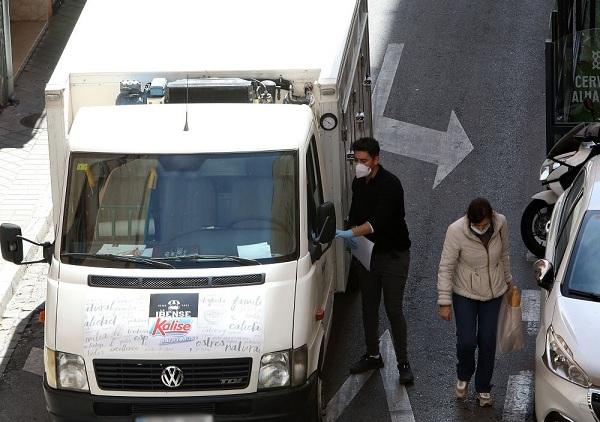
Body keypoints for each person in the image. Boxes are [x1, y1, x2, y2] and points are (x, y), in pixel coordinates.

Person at [335, 137, 413, 384]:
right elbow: (356, 213)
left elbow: (376, 222)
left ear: (376, 159)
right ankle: (372, 354)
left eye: (364, 160)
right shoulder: (359, 183)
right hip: (368, 254)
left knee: (393, 308)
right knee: (368, 307)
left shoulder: (391, 185)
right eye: (356, 160)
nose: (359, 165)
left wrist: (350, 233)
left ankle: (403, 362)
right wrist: (350, 230)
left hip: (392, 256)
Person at [437, 198, 513, 407]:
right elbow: (446, 266)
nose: (481, 228)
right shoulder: (456, 231)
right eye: (477, 225)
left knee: (487, 341)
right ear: (469, 220)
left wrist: (508, 281)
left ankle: (483, 388)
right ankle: (464, 374)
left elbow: (504, 255)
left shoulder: (501, 224)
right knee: (467, 341)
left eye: (485, 224)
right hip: (464, 293)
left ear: (492, 218)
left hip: (493, 292)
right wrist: (444, 301)